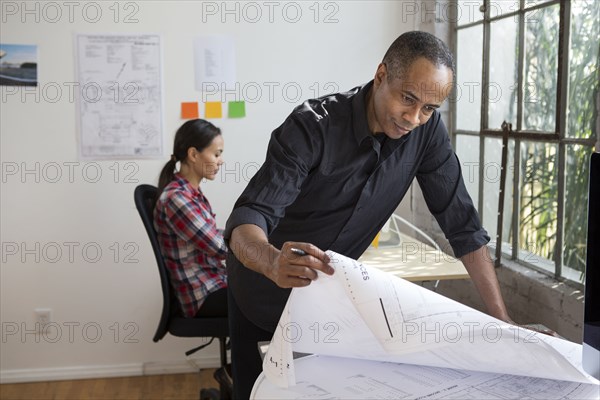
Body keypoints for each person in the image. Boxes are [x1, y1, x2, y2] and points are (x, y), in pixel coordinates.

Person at [224, 31, 514, 399]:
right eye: (407, 99)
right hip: (261, 289)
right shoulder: (312, 127)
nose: (414, 117)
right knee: (259, 392)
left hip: (327, 301)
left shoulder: (426, 135)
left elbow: (464, 226)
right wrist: (270, 261)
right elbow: (248, 219)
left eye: (428, 108)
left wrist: (503, 322)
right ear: (381, 75)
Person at [154, 118, 227, 319]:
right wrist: (255, 246)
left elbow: (212, 236)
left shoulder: (191, 193)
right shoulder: (177, 198)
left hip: (215, 283)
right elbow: (220, 248)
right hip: (203, 293)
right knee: (268, 298)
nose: (220, 160)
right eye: (216, 154)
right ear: (194, 154)